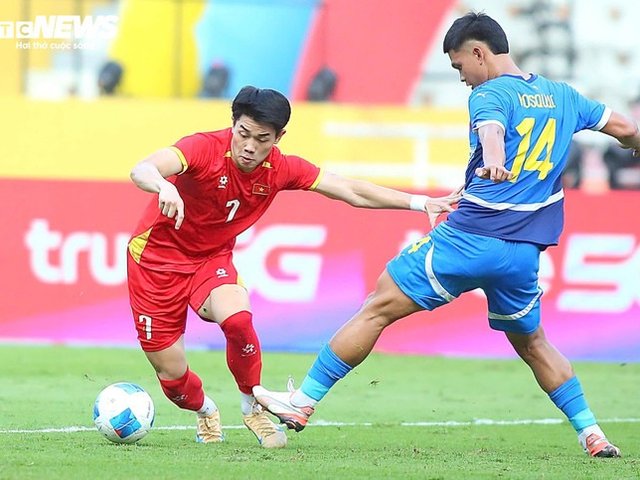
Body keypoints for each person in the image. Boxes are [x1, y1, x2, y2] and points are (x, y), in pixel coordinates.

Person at [254, 12, 640, 458]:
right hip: (522, 255)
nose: (461, 78)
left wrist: (494, 159)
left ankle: (302, 402)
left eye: (460, 66)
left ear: (479, 53)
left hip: (470, 238)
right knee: (534, 344)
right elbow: (626, 130)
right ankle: (592, 433)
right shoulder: (563, 95)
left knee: (378, 306)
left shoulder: (490, 93)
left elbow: (491, 128)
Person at [127, 85, 461, 449]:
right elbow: (142, 168)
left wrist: (420, 203)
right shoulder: (202, 148)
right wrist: (164, 186)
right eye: (243, 134)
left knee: (238, 319)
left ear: (278, 137)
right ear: (233, 124)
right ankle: (205, 410)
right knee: (172, 376)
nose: (249, 146)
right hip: (154, 264)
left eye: (262, 139)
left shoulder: (281, 168)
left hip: (211, 260)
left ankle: (252, 406)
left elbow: (350, 190)